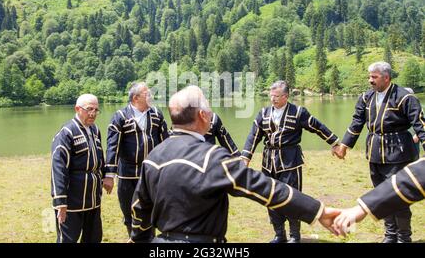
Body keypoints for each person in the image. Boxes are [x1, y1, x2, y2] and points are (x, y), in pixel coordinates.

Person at [130, 85, 341, 243]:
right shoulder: (214, 157)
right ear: (202, 116)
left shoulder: (153, 158)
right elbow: (265, 188)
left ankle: (292, 235)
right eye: (209, 109)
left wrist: (138, 238)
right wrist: (317, 211)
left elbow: (139, 208)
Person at [335, 62, 425, 243]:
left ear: (386, 77)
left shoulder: (405, 97)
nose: (370, 81)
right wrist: (344, 145)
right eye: (369, 77)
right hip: (375, 151)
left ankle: (403, 238)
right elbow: (356, 122)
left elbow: (421, 125)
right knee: (382, 195)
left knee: (399, 196)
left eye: (374, 77)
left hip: (399, 151)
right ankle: (390, 235)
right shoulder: (366, 97)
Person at [241, 80, 341, 243]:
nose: (273, 99)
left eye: (277, 96)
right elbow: (254, 136)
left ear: (286, 97)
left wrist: (335, 143)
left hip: (290, 162)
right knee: (270, 197)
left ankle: (295, 235)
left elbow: (317, 127)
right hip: (268, 162)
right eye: (271, 96)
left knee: (293, 198)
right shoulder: (263, 113)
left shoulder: (298, 112)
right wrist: (245, 157)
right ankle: (279, 234)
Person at [105, 82, 169, 237]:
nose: (151, 97)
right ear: (135, 98)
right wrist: (109, 175)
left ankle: (151, 240)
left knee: (151, 213)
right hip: (128, 177)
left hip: (151, 175)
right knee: (130, 214)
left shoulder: (156, 114)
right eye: (147, 94)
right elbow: (112, 146)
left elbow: (166, 142)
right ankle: (133, 238)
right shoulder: (120, 117)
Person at [51, 94, 109, 243]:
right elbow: (58, 168)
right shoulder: (66, 133)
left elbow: (99, 159)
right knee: (68, 240)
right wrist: (60, 203)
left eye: (96, 110)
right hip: (72, 203)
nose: (93, 113)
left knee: (94, 238)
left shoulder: (95, 130)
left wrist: (107, 176)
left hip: (93, 201)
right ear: (77, 109)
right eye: (89, 109)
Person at [333, 157, 424, 237]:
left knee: (400, 201)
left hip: (398, 153)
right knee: (383, 188)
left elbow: (417, 177)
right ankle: (390, 234)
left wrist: (365, 207)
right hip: (376, 153)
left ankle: (403, 237)